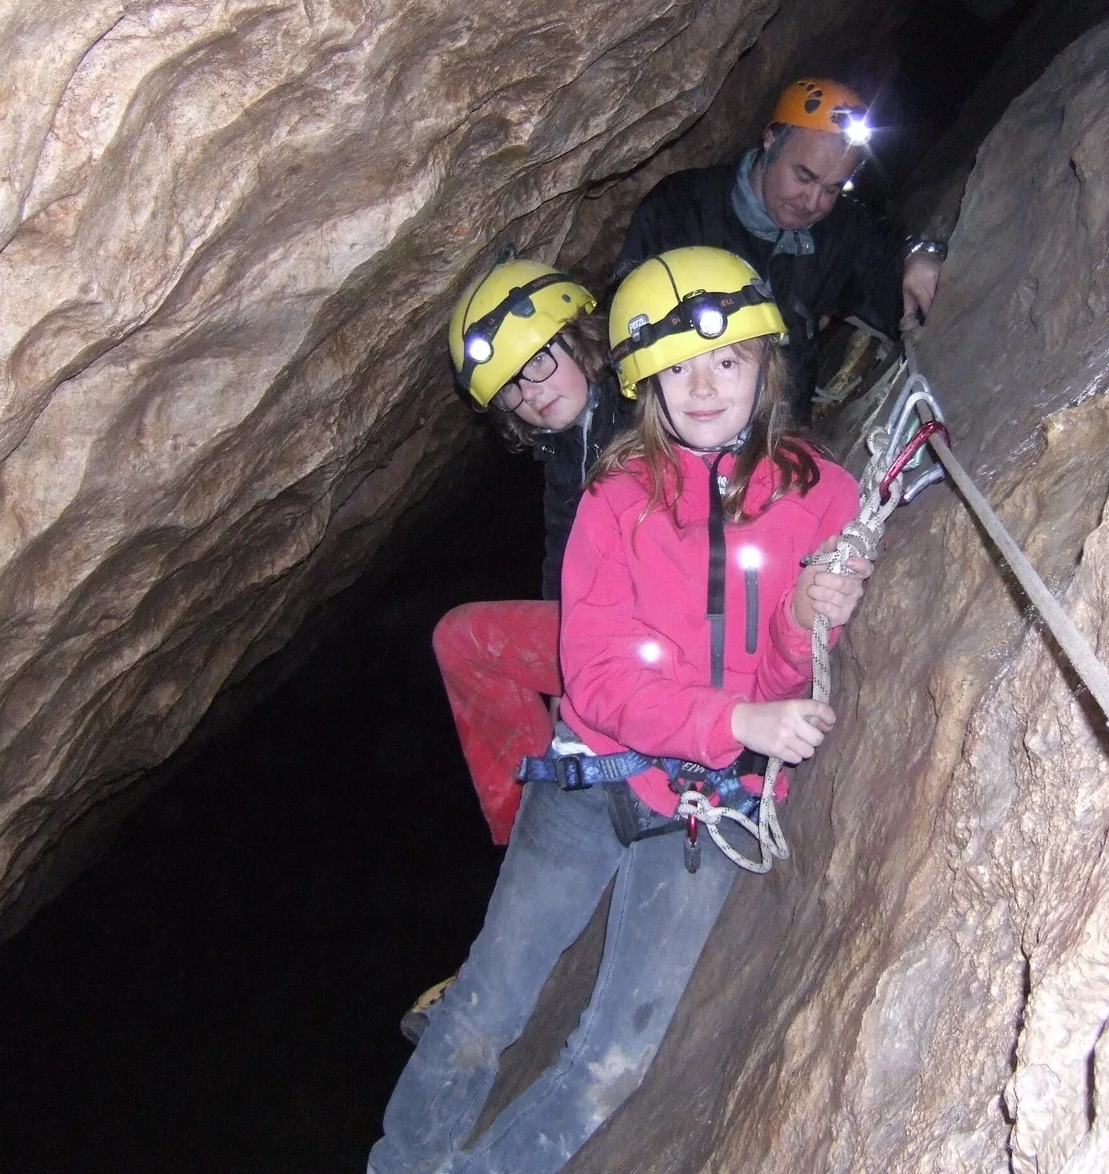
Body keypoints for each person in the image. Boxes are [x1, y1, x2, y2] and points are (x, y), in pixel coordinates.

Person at [367, 246, 872, 1174]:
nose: (707, 387)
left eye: (727, 361)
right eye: (679, 368)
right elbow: (595, 681)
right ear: (645, 382)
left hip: (707, 810)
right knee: (484, 1003)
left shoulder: (819, 494)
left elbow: (782, 676)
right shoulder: (614, 496)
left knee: (612, 1060)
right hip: (592, 779)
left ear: (766, 362)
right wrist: (735, 726)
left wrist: (803, 622)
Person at [434, 258, 632, 848]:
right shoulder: (564, 453)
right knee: (461, 639)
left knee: (464, 638)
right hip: (608, 630)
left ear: (579, 338)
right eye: (512, 387)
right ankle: (527, 833)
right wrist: (556, 689)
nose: (532, 393)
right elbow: (560, 570)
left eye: (539, 362)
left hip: (668, 618)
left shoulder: (643, 395)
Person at [613, 78, 946, 417]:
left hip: (783, 439)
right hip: (692, 429)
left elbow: (884, 258)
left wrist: (919, 255)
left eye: (833, 189)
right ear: (771, 140)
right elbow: (625, 327)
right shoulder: (682, 208)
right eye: (804, 177)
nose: (813, 202)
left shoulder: (837, 228)